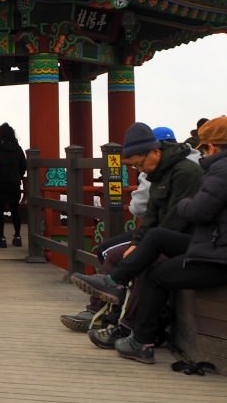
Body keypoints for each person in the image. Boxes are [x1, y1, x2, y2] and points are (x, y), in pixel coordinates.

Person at [71, 116, 227, 364]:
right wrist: (138, 243)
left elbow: (192, 213)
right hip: (206, 245)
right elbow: (152, 215)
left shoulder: (202, 172)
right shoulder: (165, 173)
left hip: (209, 249)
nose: (202, 153)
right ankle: (117, 314)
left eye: (205, 147)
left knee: (150, 269)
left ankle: (128, 329)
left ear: (214, 147)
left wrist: (187, 205)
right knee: (119, 253)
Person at [0, 123, 26, 248]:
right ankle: (17, 236)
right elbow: (23, 166)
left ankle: (1, 238)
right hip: (14, 183)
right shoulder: (18, 149)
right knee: (15, 210)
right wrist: (17, 177)